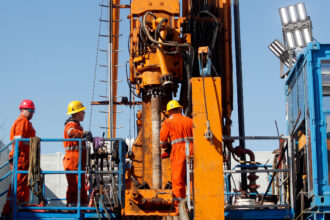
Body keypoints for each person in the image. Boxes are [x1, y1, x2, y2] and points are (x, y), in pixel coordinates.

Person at [2, 99, 36, 216]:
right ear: (23, 109)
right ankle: (11, 210)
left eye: (33, 111)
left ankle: (20, 207)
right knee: (18, 185)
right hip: (21, 157)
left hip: (24, 158)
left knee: (22, 184)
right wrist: (17, 155)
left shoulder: (26, 122)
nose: (32, 113)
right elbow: (19, 140)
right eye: (31, 110)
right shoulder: (22, 122)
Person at [159, 100, 193, 211]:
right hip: (192, 148)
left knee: (178, 178)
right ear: (180, 109)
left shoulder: (168, 122)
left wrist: (166, 146)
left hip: (178, 150)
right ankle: (194, 201)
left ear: (169, 112)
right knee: (192, 177)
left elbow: (163, 140)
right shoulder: (190, 121)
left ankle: (179, 207)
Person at [63, 100, 92, 207]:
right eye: (83, 112)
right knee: (74, 185)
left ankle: (82, 206)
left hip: (78, 160)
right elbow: (70, 132)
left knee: (81, 185)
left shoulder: (77, 125)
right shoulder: (71, 124)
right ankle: (72, 207)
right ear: (78, 112)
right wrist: (84, 134)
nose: (84, 114)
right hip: (72, 160)